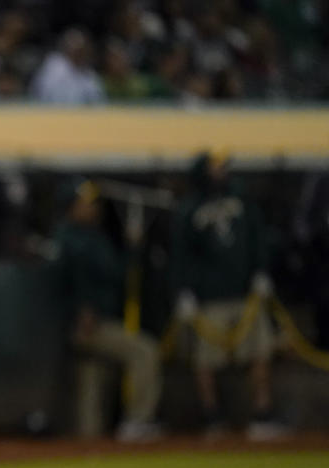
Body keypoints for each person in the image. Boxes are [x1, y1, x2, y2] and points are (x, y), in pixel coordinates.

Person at [173, 151, 279, 440]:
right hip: (208, 297)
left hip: (245, 294)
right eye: (215, 167)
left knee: (259, 351)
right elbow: (181, 255)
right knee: (206, 359)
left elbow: (258, 235)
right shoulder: (188, 208)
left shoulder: (241, 199)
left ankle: (262, 413)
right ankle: (211, 417)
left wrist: (261, 271)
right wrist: (184, 291)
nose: (222, 172)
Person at [55, 177, 163, 441]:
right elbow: (82, 277)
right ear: (71, 206)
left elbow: (116, 273)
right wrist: (83, 310)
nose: (93, 208)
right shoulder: (73, 239)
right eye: (85, 204)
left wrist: (131, 248)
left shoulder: (90, 236)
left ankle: (89, 441)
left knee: (93, 378)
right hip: (89, 323)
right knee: (144, 351)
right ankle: (138, 421)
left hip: (95, 321)